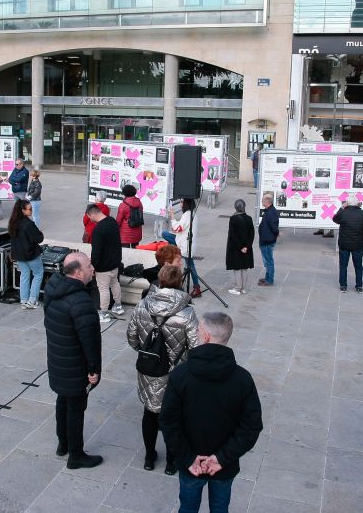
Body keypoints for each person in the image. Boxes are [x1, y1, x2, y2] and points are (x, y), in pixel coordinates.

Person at [161, 312, 263, 512]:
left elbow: (168, 421)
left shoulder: (180, 375)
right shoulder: (243, 379)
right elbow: (251, 426)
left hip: (191, 465)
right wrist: (221, 458)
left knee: (188, 508)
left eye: (198, 329)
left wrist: (188, 458)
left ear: (206, 336)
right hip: (224, 466)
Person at [128, 265, 198, 474]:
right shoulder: (187, 312)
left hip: (149, 368)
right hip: (176, 372)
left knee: (150, 412)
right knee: (173, 417)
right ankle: (171, 462)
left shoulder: (142, 305)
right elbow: (195, 347)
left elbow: (132, 338)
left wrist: (148, 351)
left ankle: (149, 457)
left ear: (160, 280)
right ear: (179, 282)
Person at [43, 251, 103, 469]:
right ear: (78, 273)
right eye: (88, 265)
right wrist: (94, 369)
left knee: (63, 400)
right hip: (74, 365)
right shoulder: (80, 302)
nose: (92, 268)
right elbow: (91, 342)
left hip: (59, 361)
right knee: (76, 408)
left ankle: (63, 443)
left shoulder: (52, 288)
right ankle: (75, 455)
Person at [86, 203, 124, 323]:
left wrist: (93, 265)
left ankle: (104, 313)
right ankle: (118, 306)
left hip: (103, 266)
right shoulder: (112, 221)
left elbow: (96, 251)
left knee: (103, 289)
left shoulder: (98, 229)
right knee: (115, 283)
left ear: (90, 215)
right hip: (115, 262)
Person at [333, 195, 363, 293]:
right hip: (358, 245)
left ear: (347, 203)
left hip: (344, 245)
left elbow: (335, 219)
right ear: (357, 203)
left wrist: (342, 208)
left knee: (343, 265)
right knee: (358, 266)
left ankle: (343, 285)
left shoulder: (343, 213)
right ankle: (359, 286)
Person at [9, 199, 45, 309]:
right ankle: (32, 300)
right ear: (23, 210)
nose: (31, 211)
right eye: (29, 209)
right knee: (38, 274)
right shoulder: (28, 224)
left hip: (19, 254)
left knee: (24, 275)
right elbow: (39, 238)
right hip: (30, 254)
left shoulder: (13, 222)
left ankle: (24, 300)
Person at [163, 199, 201, 298]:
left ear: (185, 204)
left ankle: (197, 287)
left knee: (191, 266)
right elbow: (181, 228)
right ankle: (197, 287)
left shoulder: (187, 215)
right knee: (165, 234)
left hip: (185, 244)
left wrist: (172, 216)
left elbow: (177, 229)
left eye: (181, 202)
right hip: (184, 241)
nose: (180, 204)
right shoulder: (193, 214)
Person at [225, 199, 254, 295]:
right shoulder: (249, 218)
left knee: (237, 268)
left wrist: (241, 247)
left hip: (236, 248)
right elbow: (252, 234)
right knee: (244, 267)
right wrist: (247, 247)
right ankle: (243, 288)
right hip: (247, 248)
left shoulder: (233, 219)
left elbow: (233, 235)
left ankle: (238, 288)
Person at [258, 194, 279, 287]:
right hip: (265, 239)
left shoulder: (271, 212)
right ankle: (267, 277)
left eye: (263, 200)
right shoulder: (269, 210)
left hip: (267, 241)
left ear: (267, 201)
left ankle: (269, 280)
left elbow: (274, 227)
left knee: (269, 261)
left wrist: (277, 233)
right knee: (267, 261)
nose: (262, 202)